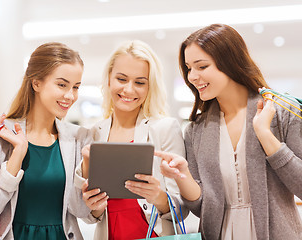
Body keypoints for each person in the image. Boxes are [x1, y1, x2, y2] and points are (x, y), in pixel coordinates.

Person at [158, 23, 302, 240]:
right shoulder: (196, 130)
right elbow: (201, 207)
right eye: (189, 68)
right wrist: (183, 176)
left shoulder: (281, 113)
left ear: (230, 62)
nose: (192, 76)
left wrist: (265, 135)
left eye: (202, 66)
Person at [74, 40, 191, 240]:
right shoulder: (94, 133)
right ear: (109, 79)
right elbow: (90, 216)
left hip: (152, 234)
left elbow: (182, 209)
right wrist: (93, 206)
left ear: (149, 87)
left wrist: (158, 196)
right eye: (122, 79)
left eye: (139, 82)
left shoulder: (164, 129)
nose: (129, 90)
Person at [0, 42, 91, 240]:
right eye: (62, 85)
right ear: (36, 83)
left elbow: (82, 211)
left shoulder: (79, 137)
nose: (70, 96)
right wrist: (17, 156)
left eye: (76, 87)